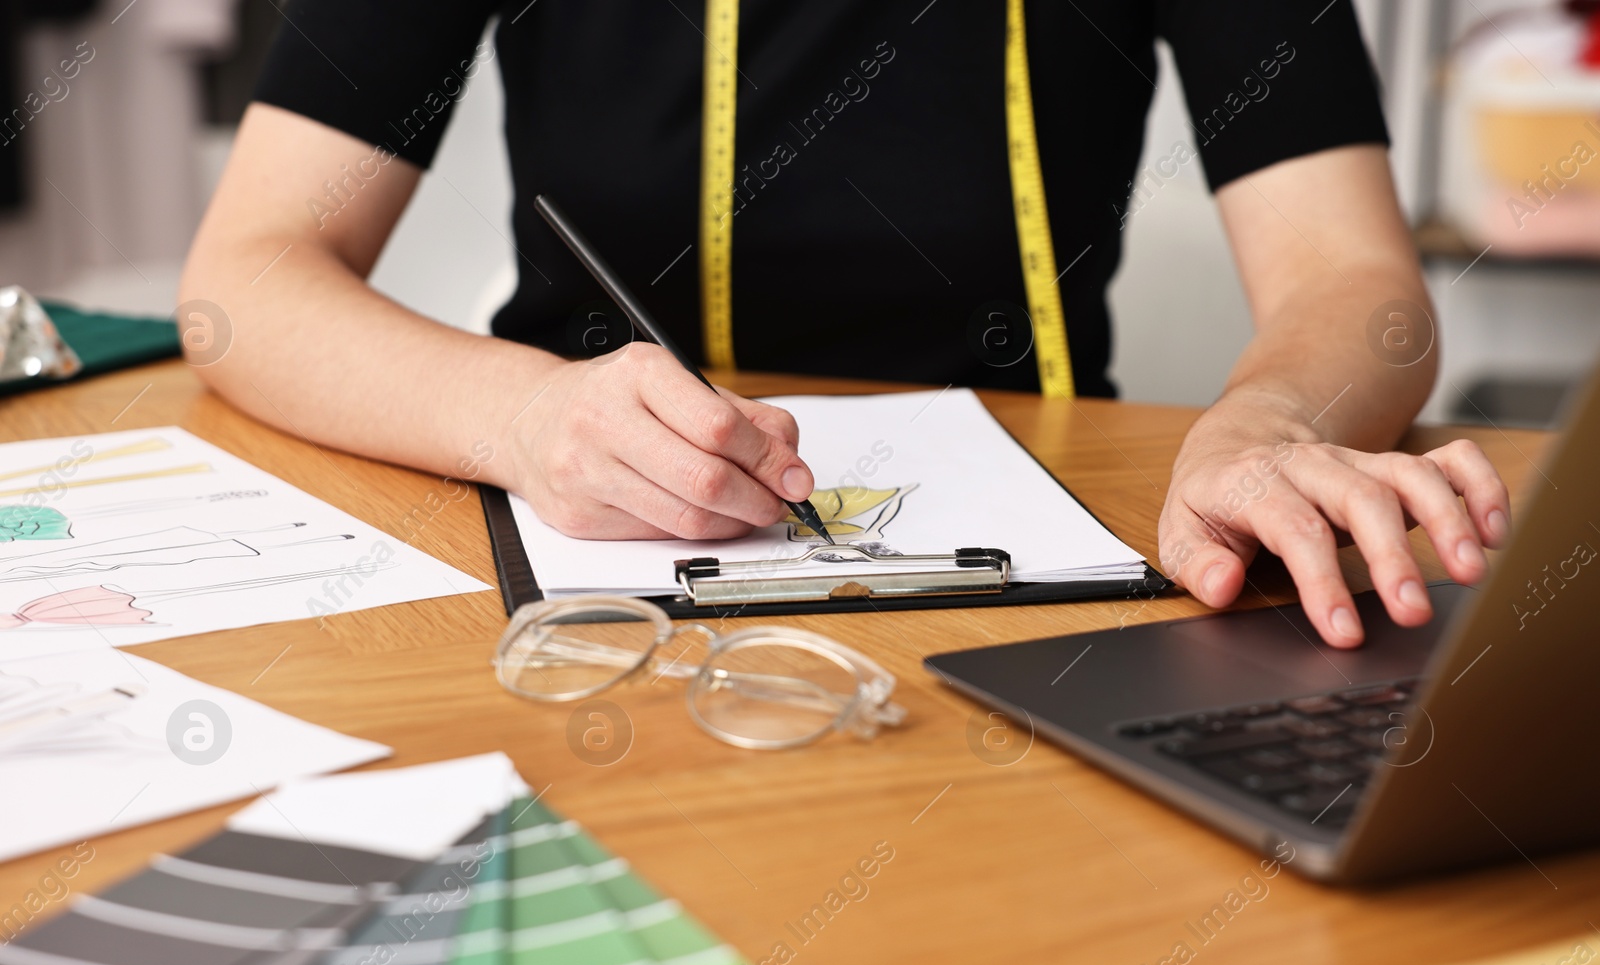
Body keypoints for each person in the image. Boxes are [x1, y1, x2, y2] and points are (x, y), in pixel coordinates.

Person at [179, 0, 1511, 649]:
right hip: (593, 561)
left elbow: (1356, 281)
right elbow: (248, 279)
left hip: (1049, 589)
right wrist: (525, 416)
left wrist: (1267, 425)